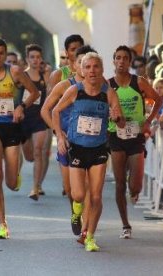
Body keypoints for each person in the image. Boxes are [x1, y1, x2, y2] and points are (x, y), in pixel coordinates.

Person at [52, 52, 125, 252]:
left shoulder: (108, 92)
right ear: (82, 71)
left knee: (95, 196)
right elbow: (55, 111)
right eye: (88, 67)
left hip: (99, 149)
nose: (92, 70)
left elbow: (121, 121)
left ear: (102, 70)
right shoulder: (75, 90)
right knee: (77, 194)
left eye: (96, 67)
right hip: (77, 148)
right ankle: (76, 211)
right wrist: (60, 136)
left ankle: (90, 236)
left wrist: (117, 117)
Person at [0, 38, 39, 239]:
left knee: (11, 183)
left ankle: (16, 173)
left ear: (5, 54)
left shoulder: (16, 72)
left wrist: (21, 106)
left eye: (1, 53)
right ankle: (2, 224)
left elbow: (35, 92)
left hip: (12, 128)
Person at [41, 45, 96, 240]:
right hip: (68, 144)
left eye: (89, 64)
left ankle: (86, 232)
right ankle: (76, 213)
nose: (85, 67)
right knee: (73, 191)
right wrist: (59, 134)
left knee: (90, 188)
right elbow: (45, 110)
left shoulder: (102, 87)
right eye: (81, 63)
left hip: (91, 143)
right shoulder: (65, 86)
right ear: (74, 65)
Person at [108, 45, 162, 239]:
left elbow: (158, 99)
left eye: (125, 58)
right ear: (113, 61)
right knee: (120, 182)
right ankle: (125, 224)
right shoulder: (107, 86)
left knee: (135, 185)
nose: (121, 61)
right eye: (118, 58)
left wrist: (148, 121)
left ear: (130, 62)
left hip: (136, 134)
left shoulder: (138, 82)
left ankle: (135, 190)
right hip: (115, 135)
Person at [20, 44, 51, 200]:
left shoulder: (45, 77)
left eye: (38, 57)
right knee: (29, 157)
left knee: (39, 152)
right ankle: (35, 184)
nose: (35, 60)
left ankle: (35, 188)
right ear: (27, 59)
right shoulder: (21, 76)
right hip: (24, 120)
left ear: (41, 59)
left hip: (39, 119)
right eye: (32, 57)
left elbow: (51, 93)